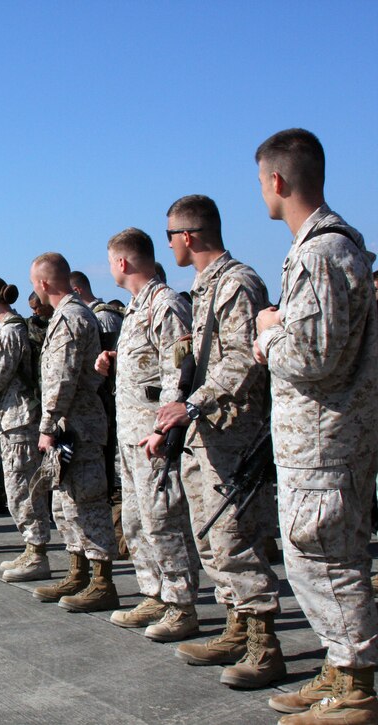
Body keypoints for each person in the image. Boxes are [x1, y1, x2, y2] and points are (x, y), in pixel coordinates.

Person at [253, 129, 378, 721]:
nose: (262, 193)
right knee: (321, 559)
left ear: (277, 181)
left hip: (325, 443)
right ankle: (339, 666)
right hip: (320, 441)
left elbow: (315, 356)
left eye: (260, 183)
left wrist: (268, 336)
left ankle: (354, 688)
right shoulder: (322, 249)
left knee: (327, 561)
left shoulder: (322, 253)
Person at [155, 194, 282, 689]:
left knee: (235, 539)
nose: (169, 245)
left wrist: (192, 403)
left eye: (169, 235)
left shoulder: (237, 283)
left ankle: (264, 646)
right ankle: (235, 626)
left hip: (234, 431)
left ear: (187, 235)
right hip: (209, 432)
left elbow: (244, 360)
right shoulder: (204, 287)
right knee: (211, 537)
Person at [96, 229, 201, 641]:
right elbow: (149, 363)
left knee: (164, 520)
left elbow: (179, 373)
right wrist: (115, 360)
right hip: (130, 433)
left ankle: (181, 605)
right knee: (138, 521)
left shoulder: (166, 304)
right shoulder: (136, 309)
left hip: (152, 435)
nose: (110, 269)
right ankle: (154, 592)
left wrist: (164, 428)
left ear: (122, 262)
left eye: (110, 262)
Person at [26, 253, 117, 611]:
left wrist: (47, 426)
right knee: (67, 504)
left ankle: (101, 581)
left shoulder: (70, 318)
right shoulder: (67, 316)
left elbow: (61, 379)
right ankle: (78, 571)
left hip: (77, 426)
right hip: (71, 426)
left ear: (44, 283)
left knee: (87, 503)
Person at [0, 276, 48, 582]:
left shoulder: (10, 331)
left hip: (20, 418)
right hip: (15, 417)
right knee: (19, 484)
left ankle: (37, 553)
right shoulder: (14, 328)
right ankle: (31, 548)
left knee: (23, 486)